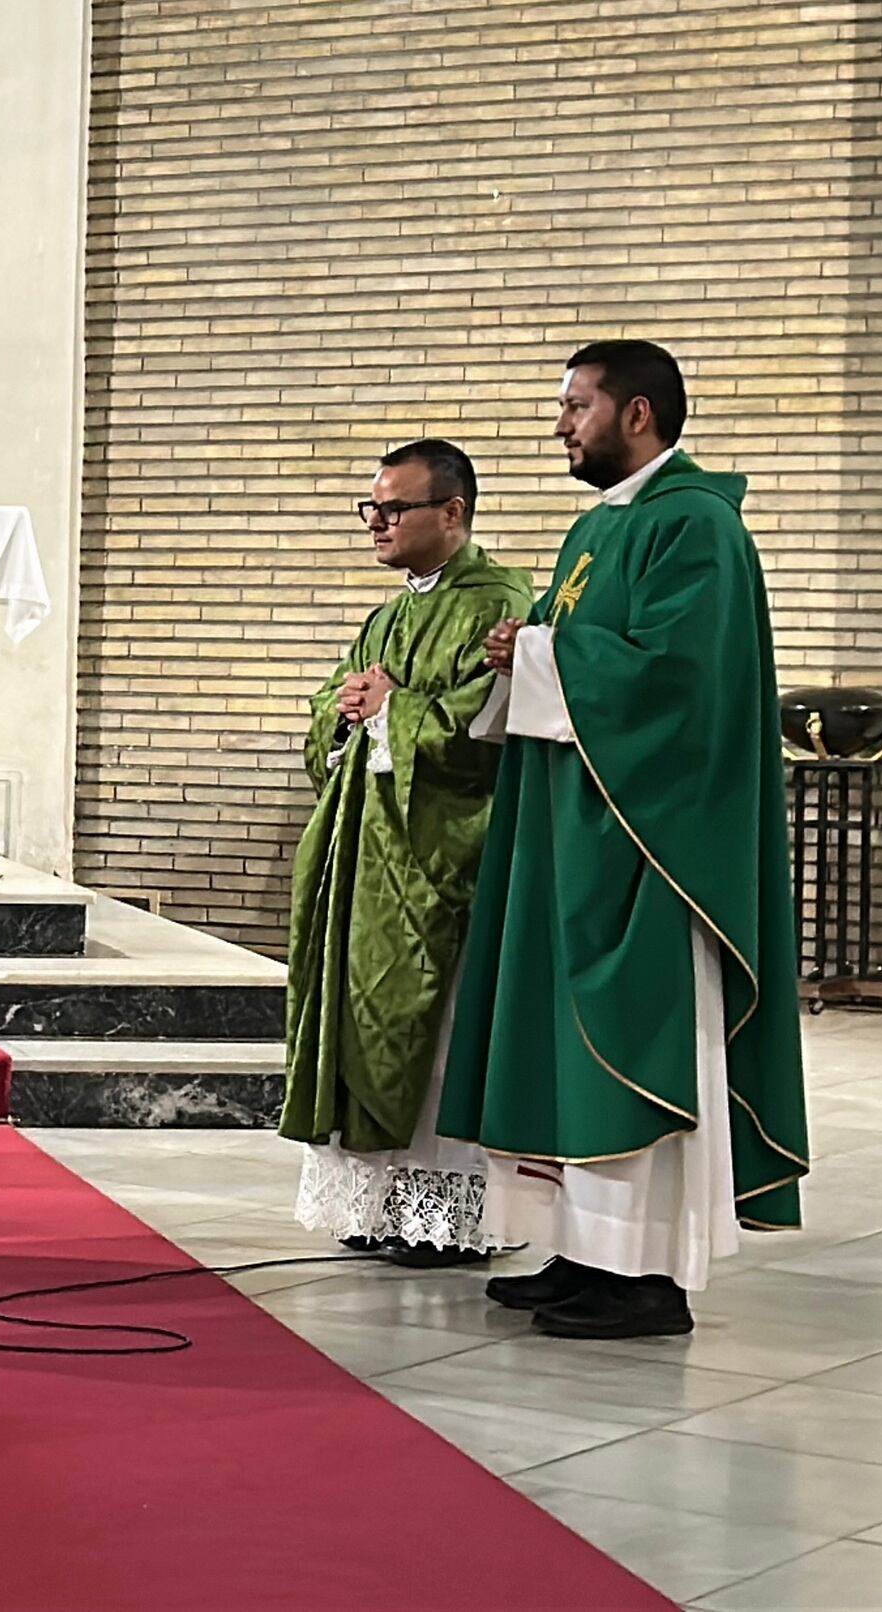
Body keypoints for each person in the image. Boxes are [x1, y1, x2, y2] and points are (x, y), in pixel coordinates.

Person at [439, 341, 810, 1338]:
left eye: (576, 406)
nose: (560, 424)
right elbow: (572, 658)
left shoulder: (693, 526)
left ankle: (645, 1277)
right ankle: (583, 1252)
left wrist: (540, 651)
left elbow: (676, 683)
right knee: (565, 1048)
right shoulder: (596, 528)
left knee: (635, 1039)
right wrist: (523, 654)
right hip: (576, 832)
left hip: (653, 843)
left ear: (636, 414)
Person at [280, 440, 532, 1269]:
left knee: (431, 1034)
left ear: (452, 513)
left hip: (437, 853)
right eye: (371, 508)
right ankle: (380, 1202)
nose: (377, 523)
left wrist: (395, 709)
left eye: (395, 508)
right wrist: (348, 709)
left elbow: (488, 728)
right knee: (363, 1025)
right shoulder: (389, 613)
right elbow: (337, 698)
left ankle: (443, 1214)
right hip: (366, 847)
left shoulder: (496, 600)